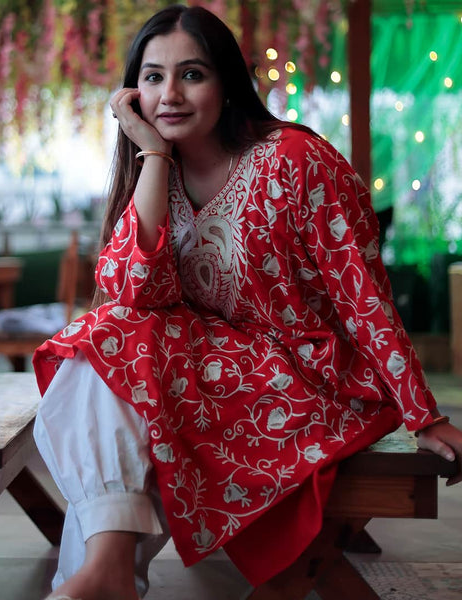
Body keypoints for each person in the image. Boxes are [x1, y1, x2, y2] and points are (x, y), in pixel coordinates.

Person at [32, 5, 462, 600]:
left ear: (228, 83)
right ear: (133, 95)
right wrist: (151, 154)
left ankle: (105, 575)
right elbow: (134, 295)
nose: (170, 94)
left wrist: (424, 414)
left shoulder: (296, 160)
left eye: (192, 74)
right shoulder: (159, 174)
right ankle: (108, 569)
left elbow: (363, 295)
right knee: (104, 343)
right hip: (218, 373)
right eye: (153, 77)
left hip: (311, 382)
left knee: (116, 364)